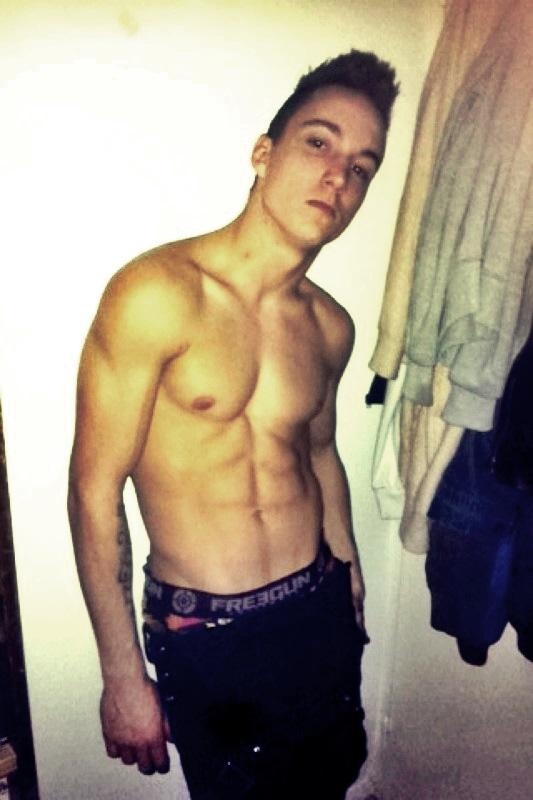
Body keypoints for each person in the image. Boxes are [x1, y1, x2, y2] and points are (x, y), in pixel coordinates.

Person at [68, 49, 398, 799]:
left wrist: (349, 572)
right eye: (319, 142)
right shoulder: (156, 294)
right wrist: (121, 675)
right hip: (206, 634)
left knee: (327, 781)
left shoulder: (330, 327)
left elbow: (320, 453)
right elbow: (93, 490)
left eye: (361, 167)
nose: (338, 177)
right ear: (263, 153)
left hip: (317, 606)